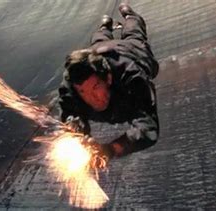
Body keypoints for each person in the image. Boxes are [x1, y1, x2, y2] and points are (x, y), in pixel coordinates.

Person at [58, 3, 159, 162]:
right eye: (83, 92)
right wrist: (75, 129)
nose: (92, 98)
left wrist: (110, 149)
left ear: (109, 78)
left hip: (130, 50)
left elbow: (147, 128)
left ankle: (129, 16)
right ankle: (105, 26)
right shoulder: (71, 84)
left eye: (96, 87)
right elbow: (69, 112)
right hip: (100, 49)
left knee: (134, 35)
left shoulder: (132, 77)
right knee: (98, 42)